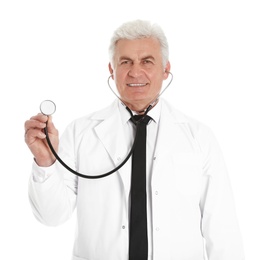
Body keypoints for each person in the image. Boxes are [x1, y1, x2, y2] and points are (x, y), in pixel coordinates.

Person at [25, 20, 244, 260]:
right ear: (112, 69)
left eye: (147, 61)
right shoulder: (80, 132)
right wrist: (45, 162)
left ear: (166, 69)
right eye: (125, 62)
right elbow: (51, 216)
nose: (135, 72)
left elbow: (222, 230)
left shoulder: (199, 137)